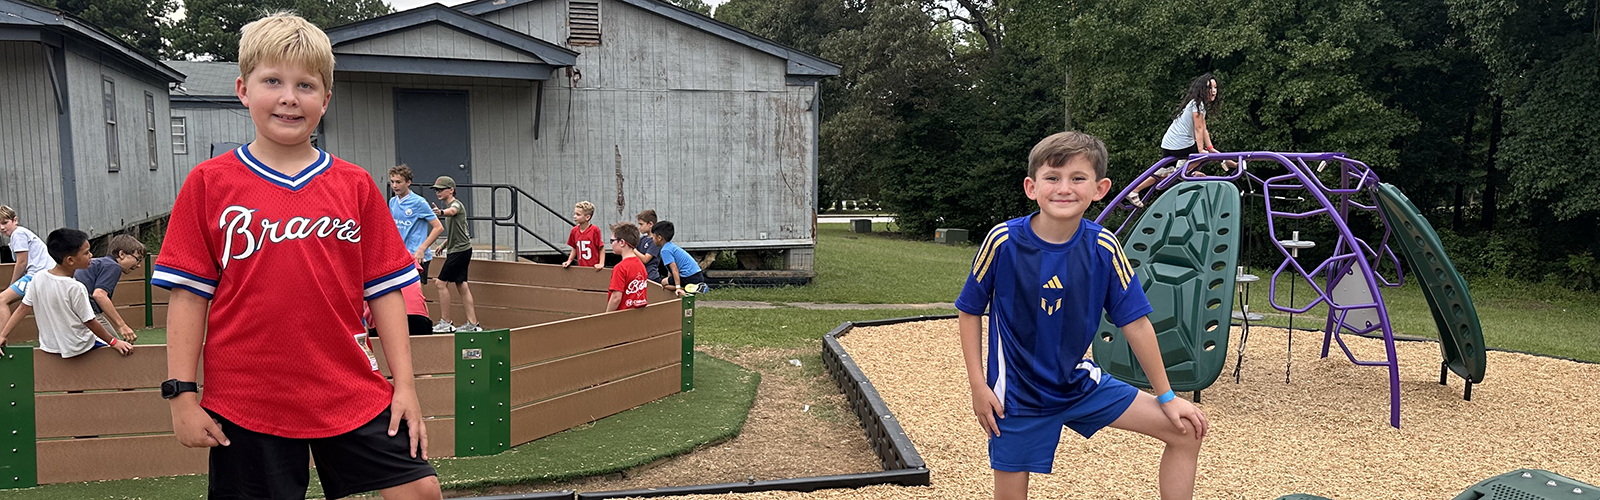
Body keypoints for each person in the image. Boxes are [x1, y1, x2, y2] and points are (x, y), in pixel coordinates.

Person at [150, 13, 441, 500]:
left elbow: (387, 292)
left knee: (418, 491)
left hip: (347, 385)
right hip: (248, 397)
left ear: (324, 100)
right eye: (272, 81)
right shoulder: (209, 182)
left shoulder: (355, 185)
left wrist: (405, 387)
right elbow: (188, 297)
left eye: (305, 85)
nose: (289, 97)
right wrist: (181, 394)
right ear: (243, 90)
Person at [956, 131, 1207, 500]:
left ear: (1100, 188)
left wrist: (1167, 396)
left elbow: (1135, 323)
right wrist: (979, 385)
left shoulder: (1103, 247)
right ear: (1031, 187)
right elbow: (969, 310)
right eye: (1052, 178)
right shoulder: (1003, 242)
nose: (1064, 188)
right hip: (1017, 398)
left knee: (1187, 429)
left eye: (1078, 178)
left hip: (1076, 384)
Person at [0, 228, 133, 357]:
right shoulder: (76, 287)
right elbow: (90, 322)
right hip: (80, 346)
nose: (91, 255)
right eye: (86, 253)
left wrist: (3, 335)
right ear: (70, 260)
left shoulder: (38, 278)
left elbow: (23, 308)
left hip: (49, 346)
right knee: (117, 352)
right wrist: (114, 342)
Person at [1126, 73, 1231, 208]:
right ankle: (1183, 172)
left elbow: (1204, 130)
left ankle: (1135, 191)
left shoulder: (1196, 105)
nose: (1214, 91)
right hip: (1179, 145)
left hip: (1168, 145)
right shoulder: (1197, 105)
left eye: (1215, 87)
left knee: (1164, 171)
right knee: (1203, 157)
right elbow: (1198, 129)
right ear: (1202, 90)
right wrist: (1201, 151)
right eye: (1210, 87)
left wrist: (1210, 148)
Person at [430, 175, 481, 333]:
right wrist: (444, 244)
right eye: (436, 190)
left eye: (441, 189)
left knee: (440, 283)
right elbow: (458, 230)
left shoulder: (456, 205)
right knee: (461, 285)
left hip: (460, 251)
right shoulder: (452, 206)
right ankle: (473, 324)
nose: (438, 192)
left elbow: (452, 212)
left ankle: (446, 322)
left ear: (451, 190)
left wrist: (441, 212)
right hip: (460, 249)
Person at [73, 234, 146, 343]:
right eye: (138, 259)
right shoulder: (113, 266)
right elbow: (99, 295)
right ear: (121, 254)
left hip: (71, 311)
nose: (138, 265)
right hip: (88, 312)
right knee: (116, 348)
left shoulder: (99, 262)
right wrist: (122, 325)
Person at [0, 205, 56, 329]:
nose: (2, 228)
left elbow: (21, 262)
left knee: (2, 299)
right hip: (45, 273)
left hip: (36, 275)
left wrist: (12, 284)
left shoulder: (18, 234)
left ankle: (1, 337)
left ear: (15, 220)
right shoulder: (21, 233)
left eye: (5, 222)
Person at [389, 165, 444, 284]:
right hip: (399, 255)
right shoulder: (393, 202)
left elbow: (438, 227)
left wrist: (422, 249)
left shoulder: (419, 202)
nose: (394, 185)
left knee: (415, 296)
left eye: (398, 182)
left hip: (416, 256)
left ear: (408, 182)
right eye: (392, 182)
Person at [652, 221, 704, 296]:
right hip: (697, 274)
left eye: (653, 236)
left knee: (663, 283)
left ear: (659, 238)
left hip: (688, 277)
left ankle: (684, 289)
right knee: (667, 281)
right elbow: (670, 270)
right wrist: (669, 279)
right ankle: (692, 288)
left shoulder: (665, 250)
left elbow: (674, 269)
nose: (652, 239)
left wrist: (678, 287)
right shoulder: (671, 246)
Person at [606, 223, 649, 312]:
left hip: (622, 317)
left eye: (612, 241)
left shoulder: (620, 268)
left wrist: (607, 316)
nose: (611, 244)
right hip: (638, 316)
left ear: (622, 242)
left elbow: (616, 298)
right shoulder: (640, 265)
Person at [562, 201, 604, 270]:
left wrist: (601, 264)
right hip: (581, 268)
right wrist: (569, 260)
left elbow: (601, 248)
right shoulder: (574, 230)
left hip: (594, 268)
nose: (574, 216)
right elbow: (575, 248)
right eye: (575, 214)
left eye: (578, 215)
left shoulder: (594, 230)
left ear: (587, 217)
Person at [634, 210, 663, 283]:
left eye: (641, 224)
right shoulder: (642, 239)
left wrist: (632, 249)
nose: (639, 227)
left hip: (651, 278)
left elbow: (645, 259)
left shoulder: (655, 241)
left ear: (650, 224)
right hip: (640, 276)